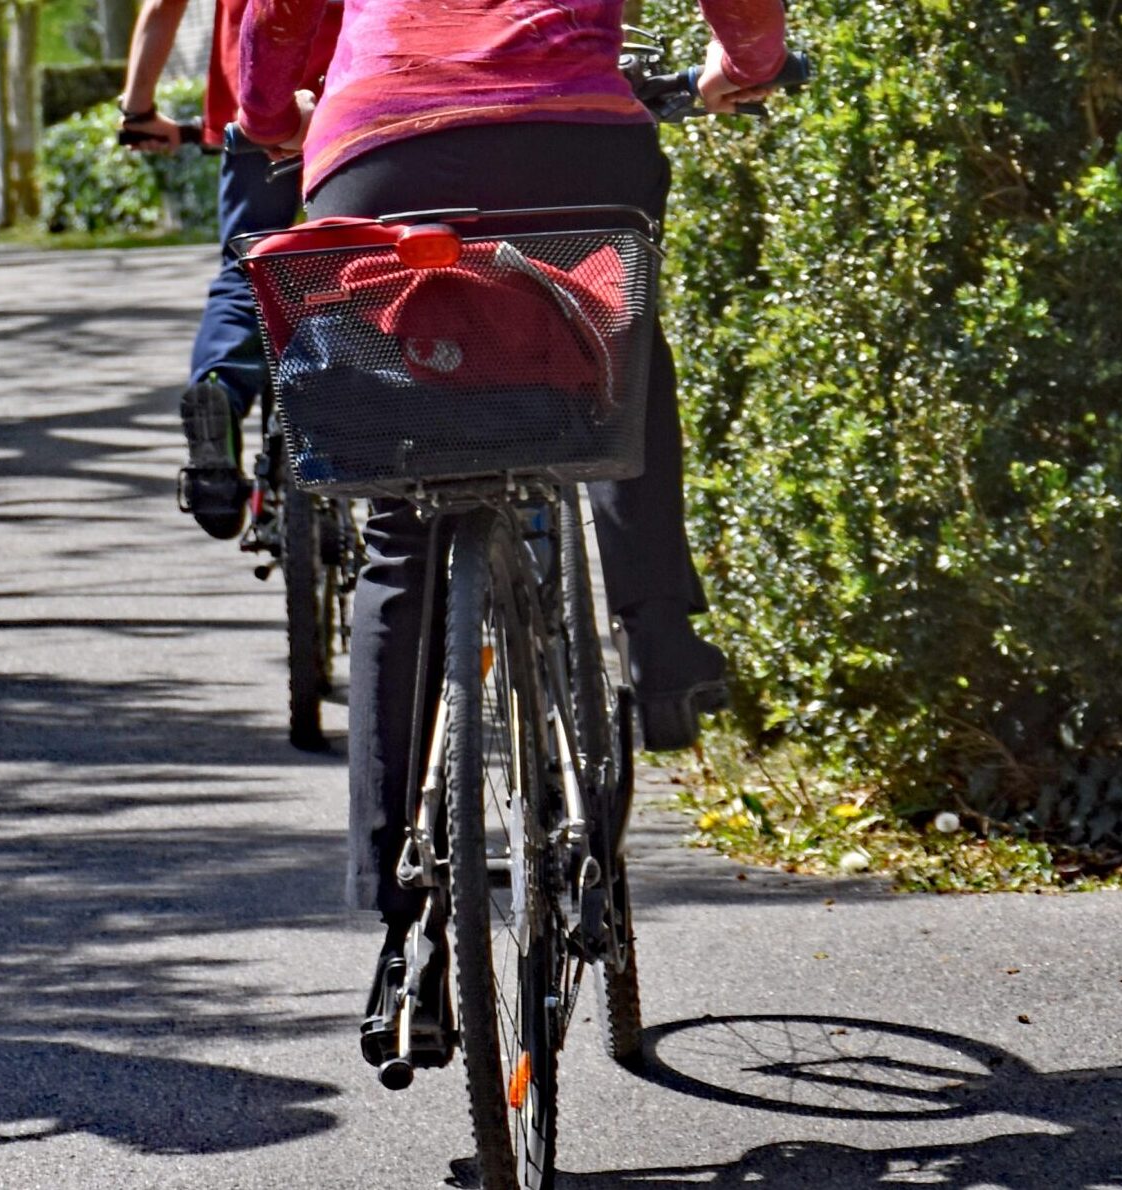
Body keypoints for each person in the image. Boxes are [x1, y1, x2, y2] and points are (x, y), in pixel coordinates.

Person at [237, 0, 788, 1050]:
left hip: (379, 154)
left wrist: (272, 111)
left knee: (402, 536)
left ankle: (406, 934)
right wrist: (741, 63)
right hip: (570, 148)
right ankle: (658, 632)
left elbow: (273, 18)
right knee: (618, 343)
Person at [116, 0, 338, 541]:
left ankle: (221, 385)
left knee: (248, 270)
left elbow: (161, 9)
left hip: (261, 111)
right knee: (365, 263)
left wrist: (139, 109)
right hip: (366, 94)